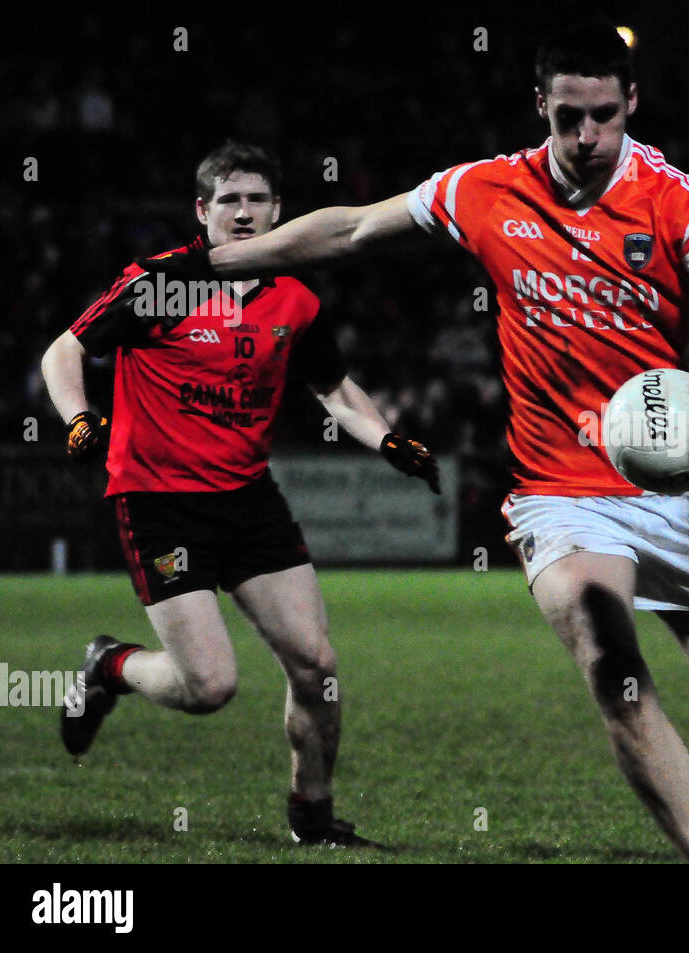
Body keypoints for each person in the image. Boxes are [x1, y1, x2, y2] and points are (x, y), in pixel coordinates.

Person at [140, 19, 689, 864]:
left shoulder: (680, 199)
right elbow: (354, 229)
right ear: (539, 107)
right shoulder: (486, 190)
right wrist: (221, 262)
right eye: (566, 118)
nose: (585, 138)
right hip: (561, 492)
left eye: (603, 116)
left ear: (632, 103)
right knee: (613, 665)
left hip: (675, 482)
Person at [42, 140, 440, 846]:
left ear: (280, 211)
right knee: (210, 687)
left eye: (259, 200)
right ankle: (111, 664)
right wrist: (78, 416)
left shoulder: (295, 298)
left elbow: (334, 389)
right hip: (160, 499)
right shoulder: (160, 284)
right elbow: (64, 350)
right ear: (203, 211)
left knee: (317, 666)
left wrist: (386, 438)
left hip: (249, 499)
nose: (246, 212)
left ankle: (312, 818)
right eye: (230, 200)